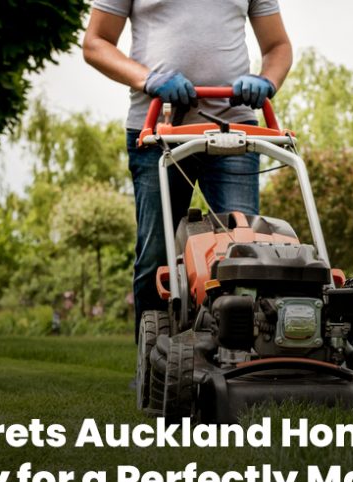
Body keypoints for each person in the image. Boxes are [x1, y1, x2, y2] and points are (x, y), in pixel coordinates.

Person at [83, 0, 293, 337]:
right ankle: (153, 362)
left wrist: (266, 80)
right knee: (157, 258)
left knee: (241, 251)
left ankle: (235, 359)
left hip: (234, 131)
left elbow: (278, 46)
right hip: (157, 132)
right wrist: (148, 78)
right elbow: (95, 43)